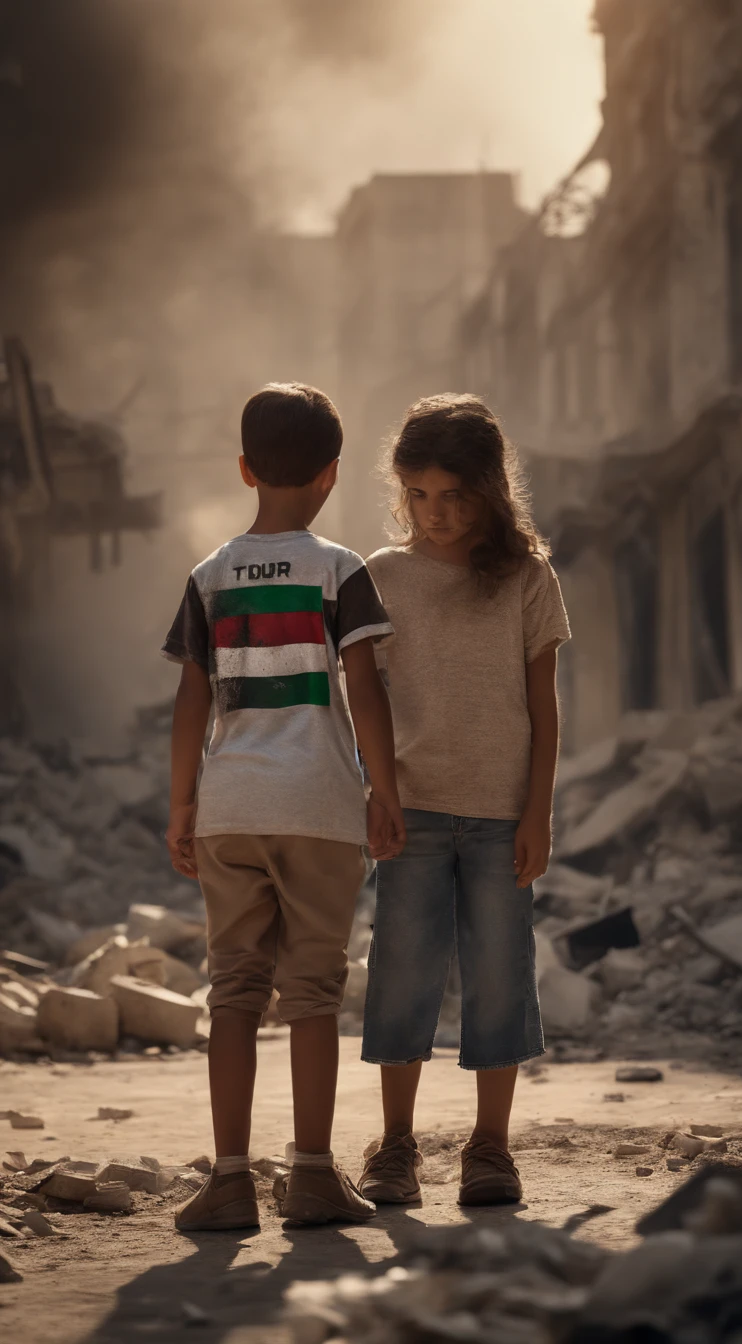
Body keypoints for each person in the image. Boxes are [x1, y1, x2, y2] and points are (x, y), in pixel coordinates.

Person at [162, 382, 405, 1232]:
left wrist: (181, 803)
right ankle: (309, 1175)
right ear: (332, 475)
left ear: (243, 469)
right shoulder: (342, 570)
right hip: (320, 807)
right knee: (310, 990)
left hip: (230, 804)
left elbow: (192, 701)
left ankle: (228, 1180)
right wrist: (385, 789)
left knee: (234, 988)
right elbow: (365, 693)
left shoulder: (209, 575)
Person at [358, 393, 571, 1208]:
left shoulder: (525, 575)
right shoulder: (382, 577)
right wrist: (379, 792)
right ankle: (397, 1146)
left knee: (497, 976)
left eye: (454, 495)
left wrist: (538, 812)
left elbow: (544, 708)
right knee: (402, 973)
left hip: (499, 814)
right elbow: (366, 698)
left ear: (489, 488)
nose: (435, 514)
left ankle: (491, 1147)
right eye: (418, 494)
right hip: (410, 811)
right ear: (400, 490)